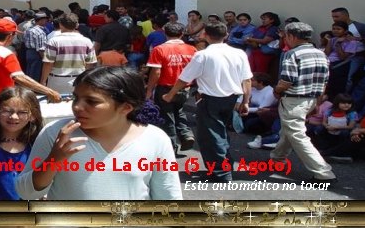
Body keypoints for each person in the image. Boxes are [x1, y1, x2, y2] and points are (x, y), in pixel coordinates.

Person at [15, 66, 182, 200]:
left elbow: (168, 197)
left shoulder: (155, 139)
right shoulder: (56, 133)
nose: (77, 107)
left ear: (126, 107)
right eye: (76, 98)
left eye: (92, 101)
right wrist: (54, 160)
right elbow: (26, 192)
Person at [162, 21, 252, 182]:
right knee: (221, 133)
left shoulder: (203, 55)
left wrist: (170, 94)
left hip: (211, 99)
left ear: (205, 35)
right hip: (231, 98)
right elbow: (247, 80)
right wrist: (245, 101)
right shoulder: (239, 54)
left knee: (211, 136)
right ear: (226, 35)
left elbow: (184, 78)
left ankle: (221, 172)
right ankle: (225, 166)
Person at [270, 22, 336, 182]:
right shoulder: (321, 54)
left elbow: (287, 80)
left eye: (286, 36)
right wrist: (317, 103)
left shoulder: (292, 54)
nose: (285, 39)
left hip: (294, 100)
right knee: (289, 131)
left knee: (297, 134)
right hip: (312, 98)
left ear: (291, 36)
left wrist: (277, 90)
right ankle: (277, 159)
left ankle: (324, 173)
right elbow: (324, 82)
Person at [0, 87, 43, 200]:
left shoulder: (37, 145)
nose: (13, 117)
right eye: (7, 111)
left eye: (22, 112)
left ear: (33, 116)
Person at [145, 22, 197, 153]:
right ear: (182, 33)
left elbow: (156, 72)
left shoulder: (159, 49)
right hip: (184, 88)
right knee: (179, 110)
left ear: (165, 33)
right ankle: (186, 134)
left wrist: (149, 90)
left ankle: (170, 147)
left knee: (167, 117)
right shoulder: (192, 49)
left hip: (165, 87)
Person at [40, 13, 97, 92]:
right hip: (79, 80)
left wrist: (43, 81)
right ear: (77, 25)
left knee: (55, 104)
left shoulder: (53, 41)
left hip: (57, 80)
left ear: (60, 25)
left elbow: (48, 63)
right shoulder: (87, 42)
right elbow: (90, 64)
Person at [24, 12, 51, 81]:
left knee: (29, 72)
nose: (46, 22)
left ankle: (28, 88)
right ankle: (34, 90)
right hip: (37, 54)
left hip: (28, 52)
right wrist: (44, 59)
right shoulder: (40, 32)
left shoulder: (29, 29)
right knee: (36, 74)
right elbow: (41, 49)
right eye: (45, 20)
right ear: (41, 20)